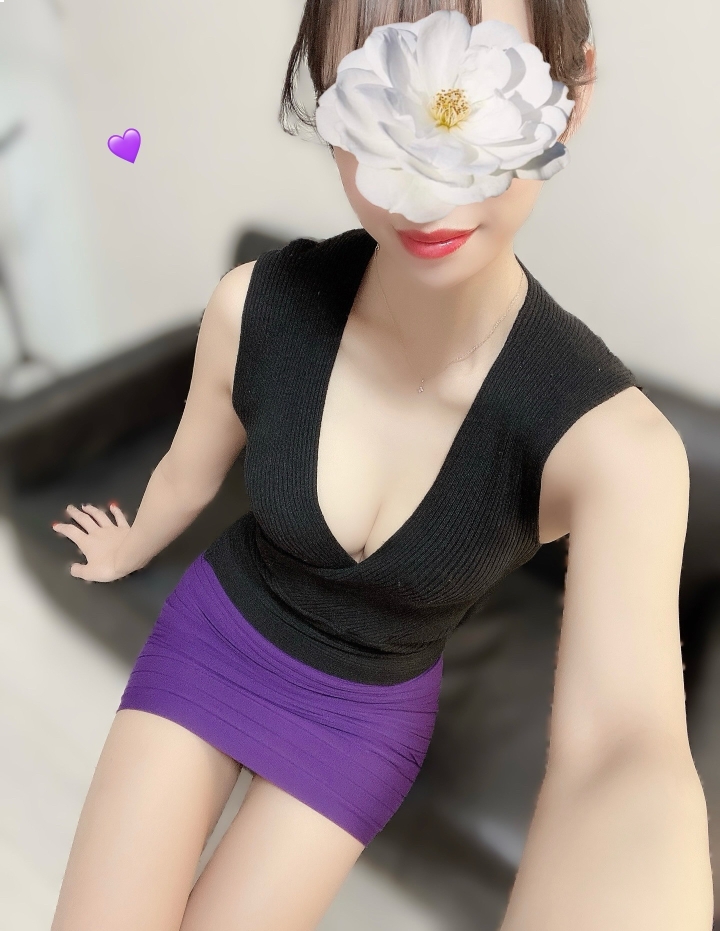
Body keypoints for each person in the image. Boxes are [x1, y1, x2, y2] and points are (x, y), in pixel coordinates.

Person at [50, 2, 713, 930]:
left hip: (358, 722)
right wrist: (130, 546)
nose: (426, 182)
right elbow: (189, 471)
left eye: (466, 93)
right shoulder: (255, 307)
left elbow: (624, 751)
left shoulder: (613, 447)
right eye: (372, 94)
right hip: (218, 635)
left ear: (572, 97)